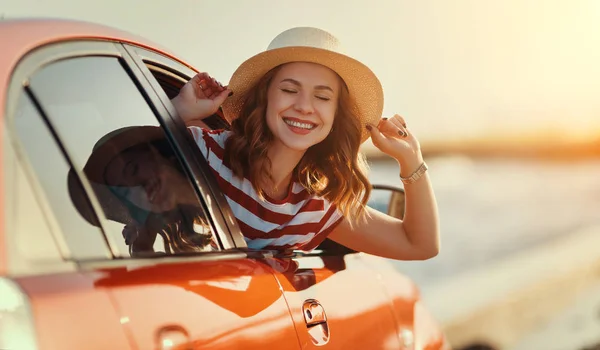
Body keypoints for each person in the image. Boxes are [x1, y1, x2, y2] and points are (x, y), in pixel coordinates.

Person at [170, 27, 440, 260]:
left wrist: (411, 159)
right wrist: (176, 113)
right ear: (264, 98)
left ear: (335, 116)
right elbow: (126, 156)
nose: (304, 107)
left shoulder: (314, 205)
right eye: (289, 90)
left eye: (322, 97)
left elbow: (419, 245)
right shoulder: (201, 151)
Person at [68, 126, 216, 256]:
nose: (138, 188)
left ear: (156, 153)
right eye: (126, 192)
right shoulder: (216, 233)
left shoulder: (210, 151)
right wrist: (142, 246)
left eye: (133, 170)